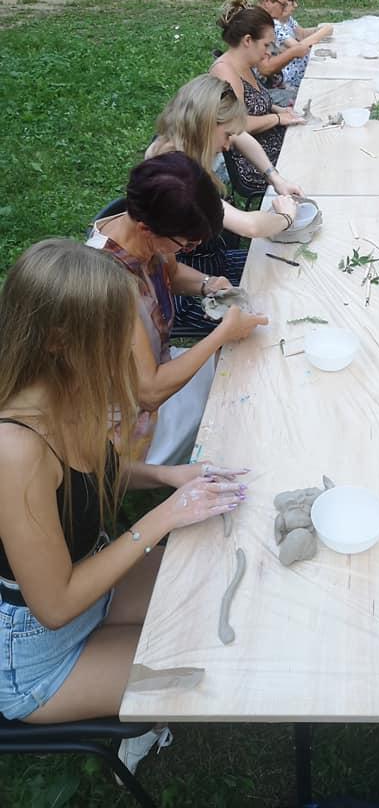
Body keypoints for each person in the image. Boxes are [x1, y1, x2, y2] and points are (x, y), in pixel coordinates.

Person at [0, 239, 245, 773]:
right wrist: (164, 517)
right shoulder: (13, 451)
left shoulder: (68, 388)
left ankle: (137, 684)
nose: (133, 349)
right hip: (38, 654)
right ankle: (137, 729)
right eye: (117, 333)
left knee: (214, 584)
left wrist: (165, 474)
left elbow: (89, 479)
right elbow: (55, 605)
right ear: (62, 339)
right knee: (199, 655)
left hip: (91, 583)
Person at [87, 152, 268, 464]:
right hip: (126, 416)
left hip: (158, 366)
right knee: (240, 409)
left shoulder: (143, 230)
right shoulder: (109, 285)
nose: (189, 250)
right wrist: (223, 333)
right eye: (187, 245)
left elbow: (170, 272)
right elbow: (150, 392)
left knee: (247, 364)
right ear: (146, 228)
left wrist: (208, 283)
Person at [145, 74, 303, 336]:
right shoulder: (174, 174)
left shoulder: (182, 139)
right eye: (226, 135)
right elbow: (249, 226)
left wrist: (275, 178)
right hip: (187, 289)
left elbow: (241, 135)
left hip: (212, 267)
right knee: (276, 317)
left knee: (289, 272)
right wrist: (285, 217)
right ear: (206, 126)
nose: (229, 144)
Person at [210, 0, 304, 195]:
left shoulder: (245, 65)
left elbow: (258, 103)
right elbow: (237, 125)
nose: (269, 52)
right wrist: (278, 118)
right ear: (247, 41)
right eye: (266, 45)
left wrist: (281, 110)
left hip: (269, 145)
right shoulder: (225, 72)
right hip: (251, 163)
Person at [256, 0, 333, 102]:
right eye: (283, 4)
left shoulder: (270, 20)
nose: (286, 8)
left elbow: (299, 37)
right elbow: (265, 68)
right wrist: (294, 51)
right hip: (274, 88)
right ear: (267, 1)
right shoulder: (264, 24)